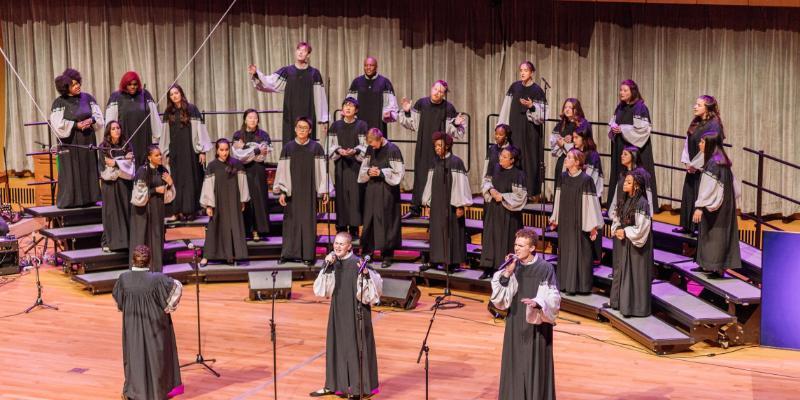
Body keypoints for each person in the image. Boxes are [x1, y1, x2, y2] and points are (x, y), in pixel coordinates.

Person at [311, 232, 383, 398]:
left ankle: (360, 388)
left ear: (349, 246)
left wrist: (365, 274)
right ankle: (334, 384)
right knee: (336, 345)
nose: (337, 247)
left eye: (341, 244)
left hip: (356, 311)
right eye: (336, 243)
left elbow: (375, 286)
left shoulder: (357, 263)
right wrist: (327, 266)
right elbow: (321, 289)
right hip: (338, 310)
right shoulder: (333, 262)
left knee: (356, 347)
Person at [490, 228, 560, 400]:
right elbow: (498, 298)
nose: (516, 249)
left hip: (536, 323)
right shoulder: (512, 266)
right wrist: (508, 272)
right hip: (515, 320)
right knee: (515, 362)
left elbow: (554, 296)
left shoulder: (545, 268)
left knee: (533, 364)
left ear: (532, 248)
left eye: (521, 246)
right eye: (515, 245)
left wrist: (538, 303)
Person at [113, 245, 183, 400]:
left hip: (133, 327)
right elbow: (177, 288)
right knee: (156, 357)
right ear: (149, 261)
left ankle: (135, 391)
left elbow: (119, 302)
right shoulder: (157, 279)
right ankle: (157, 392)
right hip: (155, 326)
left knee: (135, 357)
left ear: (133, 260)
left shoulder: (124, 278)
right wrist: (167, 308)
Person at [398, 80, 467, 218]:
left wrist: (457, 124)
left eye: (441, 91)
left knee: (438, 179)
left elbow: (455, 132)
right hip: (423, 147)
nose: (437, 93)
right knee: (420, 176)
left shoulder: (448, 108)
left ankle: (436, 210)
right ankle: (415, 208)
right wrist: (406, 112)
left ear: (444, 94)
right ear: (431, 88)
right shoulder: (421, 104)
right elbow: (412, 125)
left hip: (441, 150)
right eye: (436, 89)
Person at [273, 117, 330, 265]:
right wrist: (283, 191)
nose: (302, 130)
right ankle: (287, 254)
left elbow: (322, 171)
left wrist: (324, 190)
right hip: (292, 191)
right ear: (295, 129)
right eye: (299, 127)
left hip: (309, 191)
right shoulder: (288, 148)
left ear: (310, 130)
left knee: (307, 223)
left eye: (305, 128)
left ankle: (308, 256)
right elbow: (282, 171)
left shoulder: (316, 148)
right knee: (290, 223)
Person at [249, 41, 329, 143]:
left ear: (308, 55)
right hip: (290, 114)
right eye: (298, 50)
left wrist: (323, 120)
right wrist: (257, 74)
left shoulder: (314, 73)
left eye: (304, 51)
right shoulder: (287, 71)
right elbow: (270, 82)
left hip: (308, 112)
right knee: (290, 141)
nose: (300, 52)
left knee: (307, 143)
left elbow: (320, 96)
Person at [549, 149, 604, 295]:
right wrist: (555, 218)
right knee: (566, 251)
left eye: (568, 157)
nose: (565, 159)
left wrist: (592, 225)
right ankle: (565, 284)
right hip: (566, 221)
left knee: (580, 251)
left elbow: (591, 203)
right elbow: (558, 198)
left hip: (579, 222)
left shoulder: (586, 180)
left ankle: (580, 286)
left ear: (577, 162)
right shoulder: (563, 177)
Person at [50, 68, 103, 208]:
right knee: (71, 171)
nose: (77, 86)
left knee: (89, 168)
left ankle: (91, 199)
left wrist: (90, 121)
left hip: (87, 140)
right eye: (73, 85)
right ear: (65, 87)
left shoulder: (88, 98)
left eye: (78, 83)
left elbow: (99, 117)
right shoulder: (59, 103)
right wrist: (75, 125)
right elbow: (57, 125)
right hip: (70, 142)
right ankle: (70, 201)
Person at [421, 132, 473, 272]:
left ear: (448, 146)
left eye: (439, 145)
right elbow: (430, 183)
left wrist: (460, 205)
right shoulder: (435, 161)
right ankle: (435, 260)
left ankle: (451, 262)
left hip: (451, 205)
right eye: (435, 145)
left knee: (451, 232)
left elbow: (460, 185)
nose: (436, 148)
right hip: (437, 203)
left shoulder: (456, 162)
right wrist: (428, 203)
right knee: (437, 232)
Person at [692, 131, 741, 278]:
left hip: (716, 205)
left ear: (710, 144)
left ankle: (716, 268)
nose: (699, 144)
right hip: (725, 203)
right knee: (716, 234)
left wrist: (700, 206)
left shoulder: (713, 163)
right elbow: (734, 185)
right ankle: (708, 265)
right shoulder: (721, 159)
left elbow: (708, 186)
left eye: (702, 142)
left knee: (715, 234)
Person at [160, 84, 212, 222]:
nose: (174, 96)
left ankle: (190, 211)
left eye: (176, 93)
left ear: (181, 93)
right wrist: (166, 153)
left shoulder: (192, 109)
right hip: (175, 151)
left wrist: (202, 151)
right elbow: (165, 134)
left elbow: (200, 130)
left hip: (190, 150)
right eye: (171, 94)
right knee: (176, 179)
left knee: (190, 179)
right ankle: (176, 212)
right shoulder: (168, 112)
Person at [498, 61, 547, 200]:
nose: (522, 72)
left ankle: (532, 193)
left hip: (531, 132)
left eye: (526, 70)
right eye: (521, 70)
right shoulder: (514, 87)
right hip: (515, 130)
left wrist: (532, 106)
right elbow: (506, 108)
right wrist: (502, 127)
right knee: (515, 158)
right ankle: (515, 192)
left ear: (531, 72)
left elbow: (543, 116)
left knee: (531, 160)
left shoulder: (537, 91)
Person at [675, 95, 724, 235]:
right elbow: (688, 141)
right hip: (692, 166)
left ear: (708, 108)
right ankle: (687, 225)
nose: (695, 107)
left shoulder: (714, 124)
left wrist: (696, 165)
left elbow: (711, 147)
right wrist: (687, 162)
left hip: (704, 166)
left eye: (699, 105)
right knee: (690, 193)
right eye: (695, 104)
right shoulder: (696, 121)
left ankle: (698, 228)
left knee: (700, 193)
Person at [607, 79, 658, 209]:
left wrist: (623, 129)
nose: (621, 93)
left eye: (625, 90)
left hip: (634, 149)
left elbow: (643, 130)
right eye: (620, 90)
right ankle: (617, 205)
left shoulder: (640, 107)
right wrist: (613, 127)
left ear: (633, 92)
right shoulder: (620, 107)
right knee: (620, 174)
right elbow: (613, 122)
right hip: (620, 146)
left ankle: (635, 206)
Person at [608, 171, 653, 317]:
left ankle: (636, 308)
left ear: (637, 186)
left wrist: (625, 232)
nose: (624, 184)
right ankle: (621, 303)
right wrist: (617, 229)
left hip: (636, 246)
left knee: (635, 275)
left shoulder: (642, 203)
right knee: (622, 272)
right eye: (625, 181)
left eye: (628, 182)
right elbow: (618, 218)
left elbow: (642, 228)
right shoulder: (625, 199)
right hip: (624, 243)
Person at [358, 128, 405, 269]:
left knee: (386, 221)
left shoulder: (393, 150)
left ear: (380, 139)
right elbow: (363, 168)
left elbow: (399, 173)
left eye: (373, 144)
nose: (372, 147)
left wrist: (381, 172)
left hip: (387, 190)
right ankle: (368, 252)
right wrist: (369, 171)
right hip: (372, 189)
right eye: (370, 144)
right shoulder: (370, 149)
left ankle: (387, 255)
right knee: (370, 221)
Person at [199, 139, 250, 265]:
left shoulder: (237, 164)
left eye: (226, 150)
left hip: (234, 200)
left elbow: (242, 183)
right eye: (221, 150)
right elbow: (208, 186)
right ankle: (208, 255)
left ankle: (234, 255)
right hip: (218, 201)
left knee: (234, 225)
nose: (224, 152)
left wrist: (243, 200)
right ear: (217, 150)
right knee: (214, 227)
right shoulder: (212, 166)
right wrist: (209, 205)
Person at [480, 145, 527, 280]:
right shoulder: (495, 168)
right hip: (494, 209)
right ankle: (488, 268)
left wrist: (503, 197)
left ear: (512, 160)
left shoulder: (518, 174)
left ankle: (505, 269)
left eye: (505, 157)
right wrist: (491, 190)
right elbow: (486, 182)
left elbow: (520, 196)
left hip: (509, 213)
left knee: (506, 239)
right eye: (501, 155)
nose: (501, 158)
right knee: (490, 238)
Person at [130, 146, 175, 272]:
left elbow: (168, 197)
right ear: (149, 157)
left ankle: (156, 268)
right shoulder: (142, 171)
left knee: (157, 236)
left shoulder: (163, 170)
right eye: (156, 155)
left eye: (160, 154)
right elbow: (138, 196)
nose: (160, 157)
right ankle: (142, 268)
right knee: (144, 237)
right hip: (144, 211)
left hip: (158, 209)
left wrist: (170, 183)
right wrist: (155, 190)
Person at [329, 97, 368, 238]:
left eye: (351, 106)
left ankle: (354, 227)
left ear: (356, 110)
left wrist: (356, 150)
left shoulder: (362, 125)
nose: (347, 108)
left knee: (355, 196)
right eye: (345, 105)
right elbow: (330, 145)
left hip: (356, 165)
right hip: (341, 165)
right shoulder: (335, 126)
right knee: (341, 196)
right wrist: (339, 150)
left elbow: (365, 146)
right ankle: (341, 226)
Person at [231, 109, 273, 240]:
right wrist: (255, 150)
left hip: (258, 170)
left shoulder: (263, 135)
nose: (253, 120)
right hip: (242, 171)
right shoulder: (238, 135)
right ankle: (243, 230)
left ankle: (257, 230)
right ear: (245, 119)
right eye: (250, 117)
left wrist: (247, 151)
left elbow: (262, 157)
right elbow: (239, 156)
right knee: (244, 199)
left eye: (255, 118)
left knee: (258, 199)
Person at [104, 71, 161, 168]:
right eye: (129, 84)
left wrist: (158, 135)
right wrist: (112, 141)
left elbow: (154, 116)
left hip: (144, 139)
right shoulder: (116, 97)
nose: (132, 87)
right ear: (124, 84)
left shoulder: (145, 95)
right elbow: (110, 124)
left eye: (135, 84)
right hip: (125, 140)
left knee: (144, 168)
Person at [99, 120, 135, 252]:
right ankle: (109, 242)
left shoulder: (127, 145)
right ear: (109, 131)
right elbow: (105, 170)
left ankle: (126, 242)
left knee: (125, 211)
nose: (116, 130)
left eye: (118, 128)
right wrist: (123, 162)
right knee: (111, 213)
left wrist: (115, 163)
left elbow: (130, 168)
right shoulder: (103, 147)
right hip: (110, 186)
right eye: (113, 128)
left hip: (125, 185)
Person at [572, 127, 604, 265]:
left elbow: (591, 177)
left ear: (584, 139)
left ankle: (595, 256)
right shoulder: (576, 153)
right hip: (578, 194)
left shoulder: (592, 155)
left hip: (590, 195)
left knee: (592, 222)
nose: (573, 140)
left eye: (576, 138)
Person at [347, 56, 398, 136]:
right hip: (360, 123)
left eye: (371, 65)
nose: (368, 67)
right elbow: (350, 101)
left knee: (376, 145)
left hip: (378, 124)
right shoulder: (357, 82)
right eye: (366, 65)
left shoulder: (384, 82)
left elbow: (391, 104)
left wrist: (389, 114)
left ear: (376, 67)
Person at [550, 98, 590, 187]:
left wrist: (565, 144)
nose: (567, 109)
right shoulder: (561, 124)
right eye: (565, 107)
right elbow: (553, 142)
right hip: (563, 159)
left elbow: (584, 144)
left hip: (576, 161)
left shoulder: (582, 124)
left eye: (570, 107)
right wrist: (561, 141)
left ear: (576, 109)